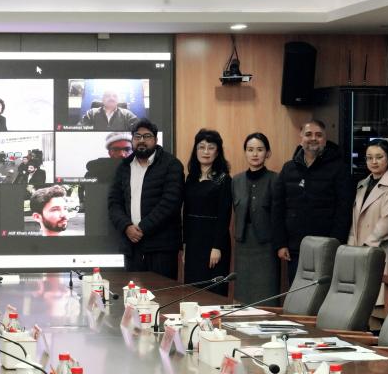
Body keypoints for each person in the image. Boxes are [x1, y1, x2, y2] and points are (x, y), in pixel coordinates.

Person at [272, 119, 353, 283]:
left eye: (318, 135)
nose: (313, 138)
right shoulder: (288, 168)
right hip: (295, 248)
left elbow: (344, 210)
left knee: (322, 293)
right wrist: (281, 243)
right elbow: (277, 208)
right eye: (308, 134)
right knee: (297, 292)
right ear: (301, 138)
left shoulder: (338, 168)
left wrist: (335, 243)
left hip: (326, 247)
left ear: (325, 139)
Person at [108, 119, 184, 279]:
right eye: (137, 136)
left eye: (147, 136)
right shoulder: (124, 167)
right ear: (133, 140)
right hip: (132, 245)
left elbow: (171, 202)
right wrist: (127, 227)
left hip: (162, 247)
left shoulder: (172, 165)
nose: (141, 140)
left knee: (163, 292)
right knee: (133, 292)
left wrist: (142, 228)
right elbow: (114, 203)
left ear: (155, 140)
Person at [232, 133, 280, 305]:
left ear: (268, 153)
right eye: (250, 149)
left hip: (267, 245)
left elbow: (279, 214)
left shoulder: (275, 179)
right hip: (243, 244)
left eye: (259, 149)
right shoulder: (236, 180)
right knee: (243, 295)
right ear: (245, 152)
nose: (254, 154)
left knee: (266, 294)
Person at [183, 129, 232, 294]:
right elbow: (186, 213)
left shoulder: (224, 179)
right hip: (193, 242)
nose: (206, 152)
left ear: (217, 152)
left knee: (213, 291)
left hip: (213, 242)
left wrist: (217, 247)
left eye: (211, 148)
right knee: (192, 290)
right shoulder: (190, 178)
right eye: (201, 147)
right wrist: (185, 245)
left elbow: (224, 215)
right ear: (195, 150)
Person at [348, 139, 388, 266]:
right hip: (356, 250)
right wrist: (350, 248)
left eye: (379, 157)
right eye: (369, 157)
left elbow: (387, 223)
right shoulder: (361, 184)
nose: (373, 162)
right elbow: (354, 222)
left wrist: (366, 246)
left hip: (377, 250)